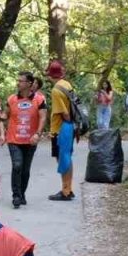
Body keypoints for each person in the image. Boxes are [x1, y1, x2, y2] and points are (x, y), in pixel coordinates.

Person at [4, 72, 46, 209]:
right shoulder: (11, 99)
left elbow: (43, 117)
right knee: (17, 165)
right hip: (14, 139)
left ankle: (22, 193)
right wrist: (0, 116)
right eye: (17, 80)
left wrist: (38, 134)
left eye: (21, 81)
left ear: (29, 83)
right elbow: (5, 114)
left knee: (25, 170)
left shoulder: (39, 100)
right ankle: (16, 196)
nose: (18, 83)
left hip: (30, 140)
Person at [46, 60, 76, 201]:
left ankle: (65, 191)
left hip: (61, 129)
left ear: (50, 75)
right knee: (67, 159)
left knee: (62, 159)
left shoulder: (56, 90)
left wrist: (66, 127)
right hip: (69, 127)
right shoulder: (67, 84)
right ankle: (69, 188)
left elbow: (64, 112)